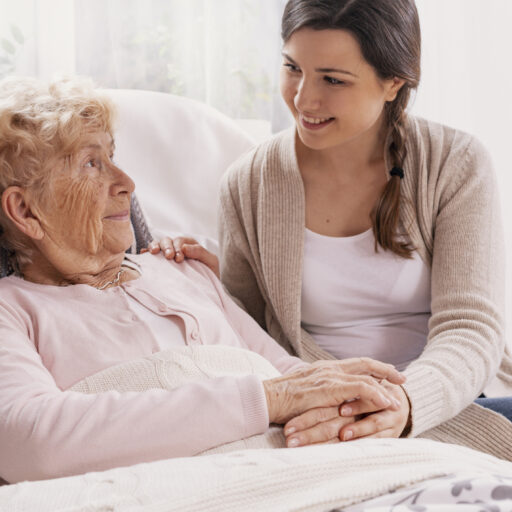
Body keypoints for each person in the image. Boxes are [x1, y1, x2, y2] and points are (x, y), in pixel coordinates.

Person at [0, 76, 408, 484]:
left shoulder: (185, 268)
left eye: (113, 156)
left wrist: (360, 402)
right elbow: (28, 442)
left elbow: (284, 373)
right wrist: (265, 399)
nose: (127, 184)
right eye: (91, 163)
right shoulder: (11, 310)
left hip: (302, 471)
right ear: (26, 211)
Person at [150, 0, 512, 452]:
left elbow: (471, 326)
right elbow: (248, 340)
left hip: (443, 397)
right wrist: (209, 286)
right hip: (320, 412)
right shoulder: (247, 185)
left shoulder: (456, 164)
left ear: (393, 82)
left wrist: (404, 402)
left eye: (333, 79)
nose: (303, 99)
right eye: (292, 68)